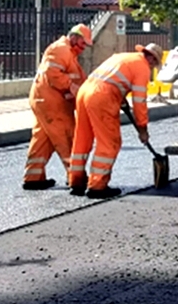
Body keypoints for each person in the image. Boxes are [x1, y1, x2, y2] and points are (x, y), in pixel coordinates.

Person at [68, 43, 162, 199]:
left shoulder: (122, 56)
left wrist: (121, 97)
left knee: (82, 139)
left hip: (84, 91)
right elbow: (140, 101)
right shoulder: (142, 67)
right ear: (151, 58)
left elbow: (112, 79)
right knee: (109, 142)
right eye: (154, 63)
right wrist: (143, 128)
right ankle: (97, 186)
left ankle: (76, 181)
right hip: (102, 96)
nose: (152, 67)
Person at [22, 24, 91, 190]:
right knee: (67, 136)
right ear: (74, 37)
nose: (83, 48)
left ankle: (33, 176)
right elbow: (52, 75)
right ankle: (76, 178)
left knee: (43, 139)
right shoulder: (60, 50)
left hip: (45, 101)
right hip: (52, 102)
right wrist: (71, 87)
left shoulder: (70, 54)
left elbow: (80, 80)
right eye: (82, 43)